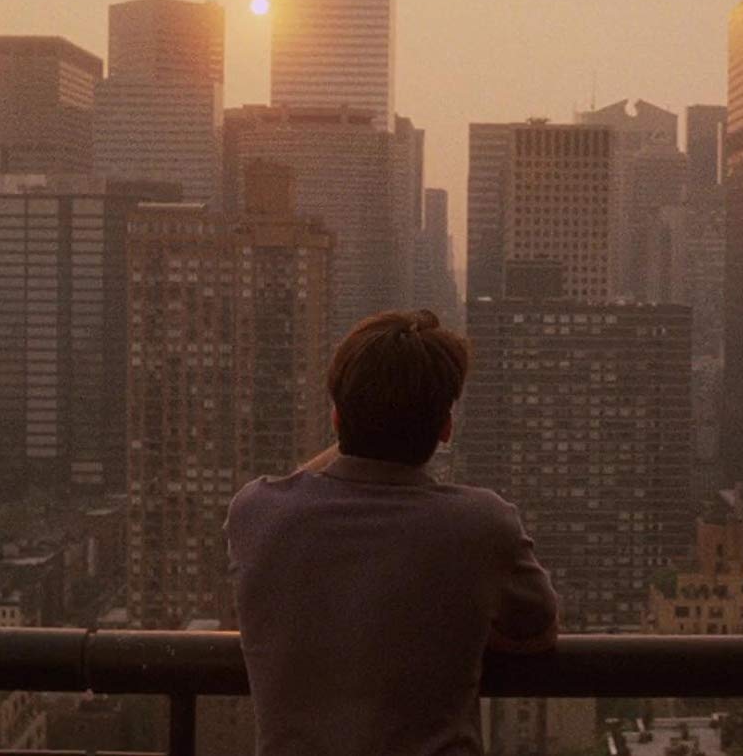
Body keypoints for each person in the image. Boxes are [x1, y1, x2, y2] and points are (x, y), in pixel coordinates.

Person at [226, 309, 559, 756]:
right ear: (446, 428)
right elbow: (539, 632)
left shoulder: (257, 511)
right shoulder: (482, 524)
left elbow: (298, 487)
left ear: (336, 418)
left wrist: (361, 421)